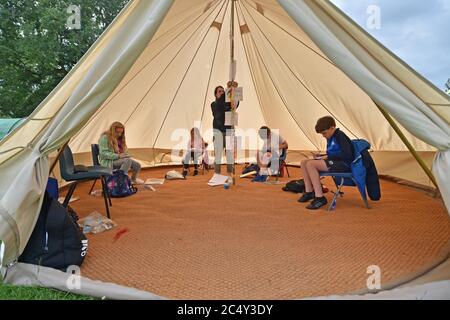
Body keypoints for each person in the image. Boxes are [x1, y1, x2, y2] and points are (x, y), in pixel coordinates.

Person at [298, 116, 353, 210]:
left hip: (343, 164)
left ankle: (320, 197)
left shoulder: (340, 135)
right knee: (304, 162)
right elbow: (332, 154)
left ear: (332, 128)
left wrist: (327, 158)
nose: (323, 136)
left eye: (324, 133)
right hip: (334, 162)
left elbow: (347, 155)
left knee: (310, 164)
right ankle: (309, 192)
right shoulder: (330, 137)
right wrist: (322, 157)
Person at [211, 82, 239, 175]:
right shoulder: (214, 104)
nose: (222, 93)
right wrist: (228, 90)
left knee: (230, 155)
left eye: (223, 91)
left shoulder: (228, 104)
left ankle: (229, 175)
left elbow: (235, 104)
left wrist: (234, 89)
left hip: (229, 131)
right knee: (218, 155)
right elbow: (220, 104)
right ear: (215, 94)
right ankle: (217, 175)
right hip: (218, 132)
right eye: (219, 91)